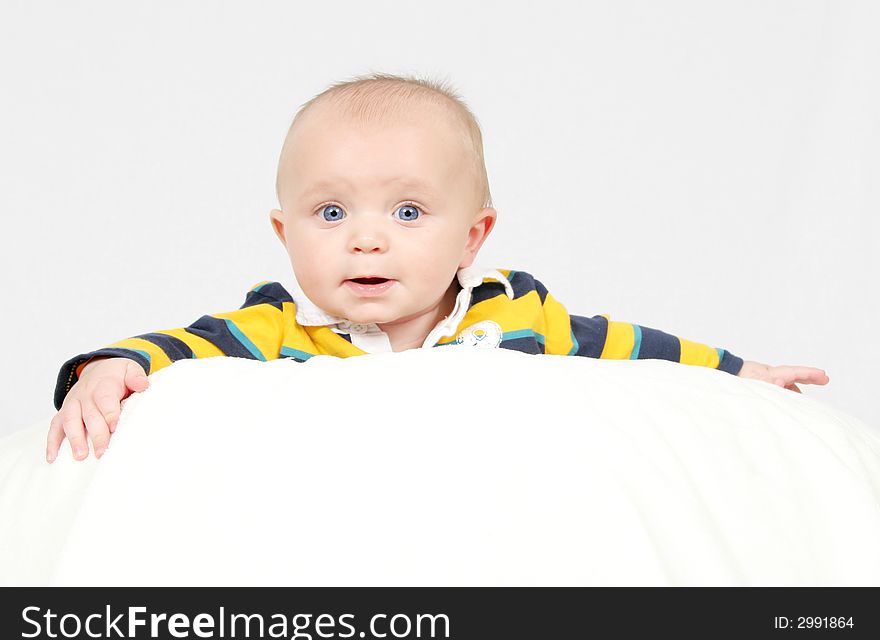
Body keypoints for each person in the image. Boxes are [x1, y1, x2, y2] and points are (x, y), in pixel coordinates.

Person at [46, 72, 830, 463]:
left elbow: (632, 347)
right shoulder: (280, 325)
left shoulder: (517, 313)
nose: (367, 239)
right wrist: (108, 366)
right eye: (331, 213)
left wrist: (738, 370)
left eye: (409, 212)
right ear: (285, 235)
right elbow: (183, 343)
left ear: (472, 237)